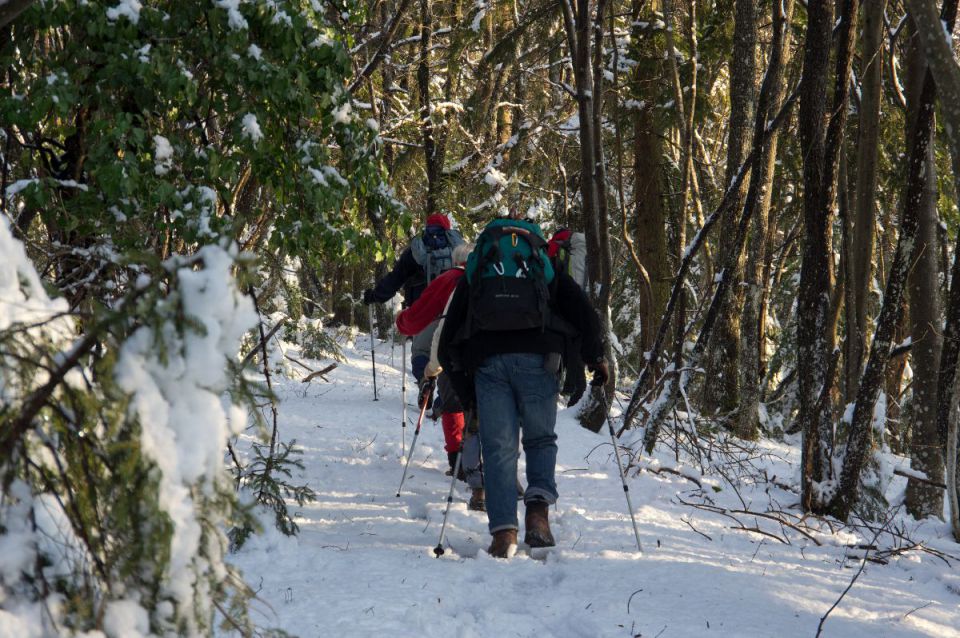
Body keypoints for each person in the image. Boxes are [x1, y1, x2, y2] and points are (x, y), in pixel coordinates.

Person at [438, 213, 607, 558]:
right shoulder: (542, 264)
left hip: (488, 364)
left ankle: (503, 535)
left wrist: (467, 394)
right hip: (539, 360)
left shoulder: (479, 268)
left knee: (498, 447)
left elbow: (448, 338)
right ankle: (538, 515)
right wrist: (595, 358)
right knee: (540, 438)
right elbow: (584, 312)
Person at [395, 243, 485, 511]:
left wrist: (401, 322)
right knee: (480, 410)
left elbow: (420, 314)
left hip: (447, 350)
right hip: (484, 354)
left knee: (453, 403)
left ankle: (457, 459)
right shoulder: (487, 280)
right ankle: (484, 469)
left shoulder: (447, 279)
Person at [363, 213, 464, 382]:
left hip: (423, 309)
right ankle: (446, 398)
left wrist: (375, 296)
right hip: (455, 308)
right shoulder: (459, 248)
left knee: (421, 351)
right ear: (448, 228)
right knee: (450, 351)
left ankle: (425, 384)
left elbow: (395, 278)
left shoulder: (417, 250)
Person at [547, 229, 589, 406]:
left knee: (559, 345)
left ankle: (566, 389)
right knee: (576, 346)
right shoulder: (584, 248)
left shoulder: (555, 246)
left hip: (563, 305)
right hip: (583, 301)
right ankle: (575, 388)